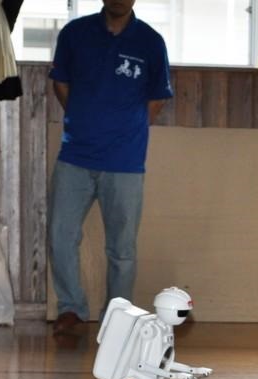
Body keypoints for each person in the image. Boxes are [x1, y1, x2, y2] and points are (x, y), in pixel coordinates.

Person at [48, 0, 173, 334]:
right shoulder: (75, 33)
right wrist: (84, 119)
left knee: (122, 248)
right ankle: (71, 308)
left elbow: (157, 98)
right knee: (60, 235)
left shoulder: (150, 42)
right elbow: (60, 83)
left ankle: (117, 319)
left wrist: (123, 130)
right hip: (75, 156)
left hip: (125, 162)